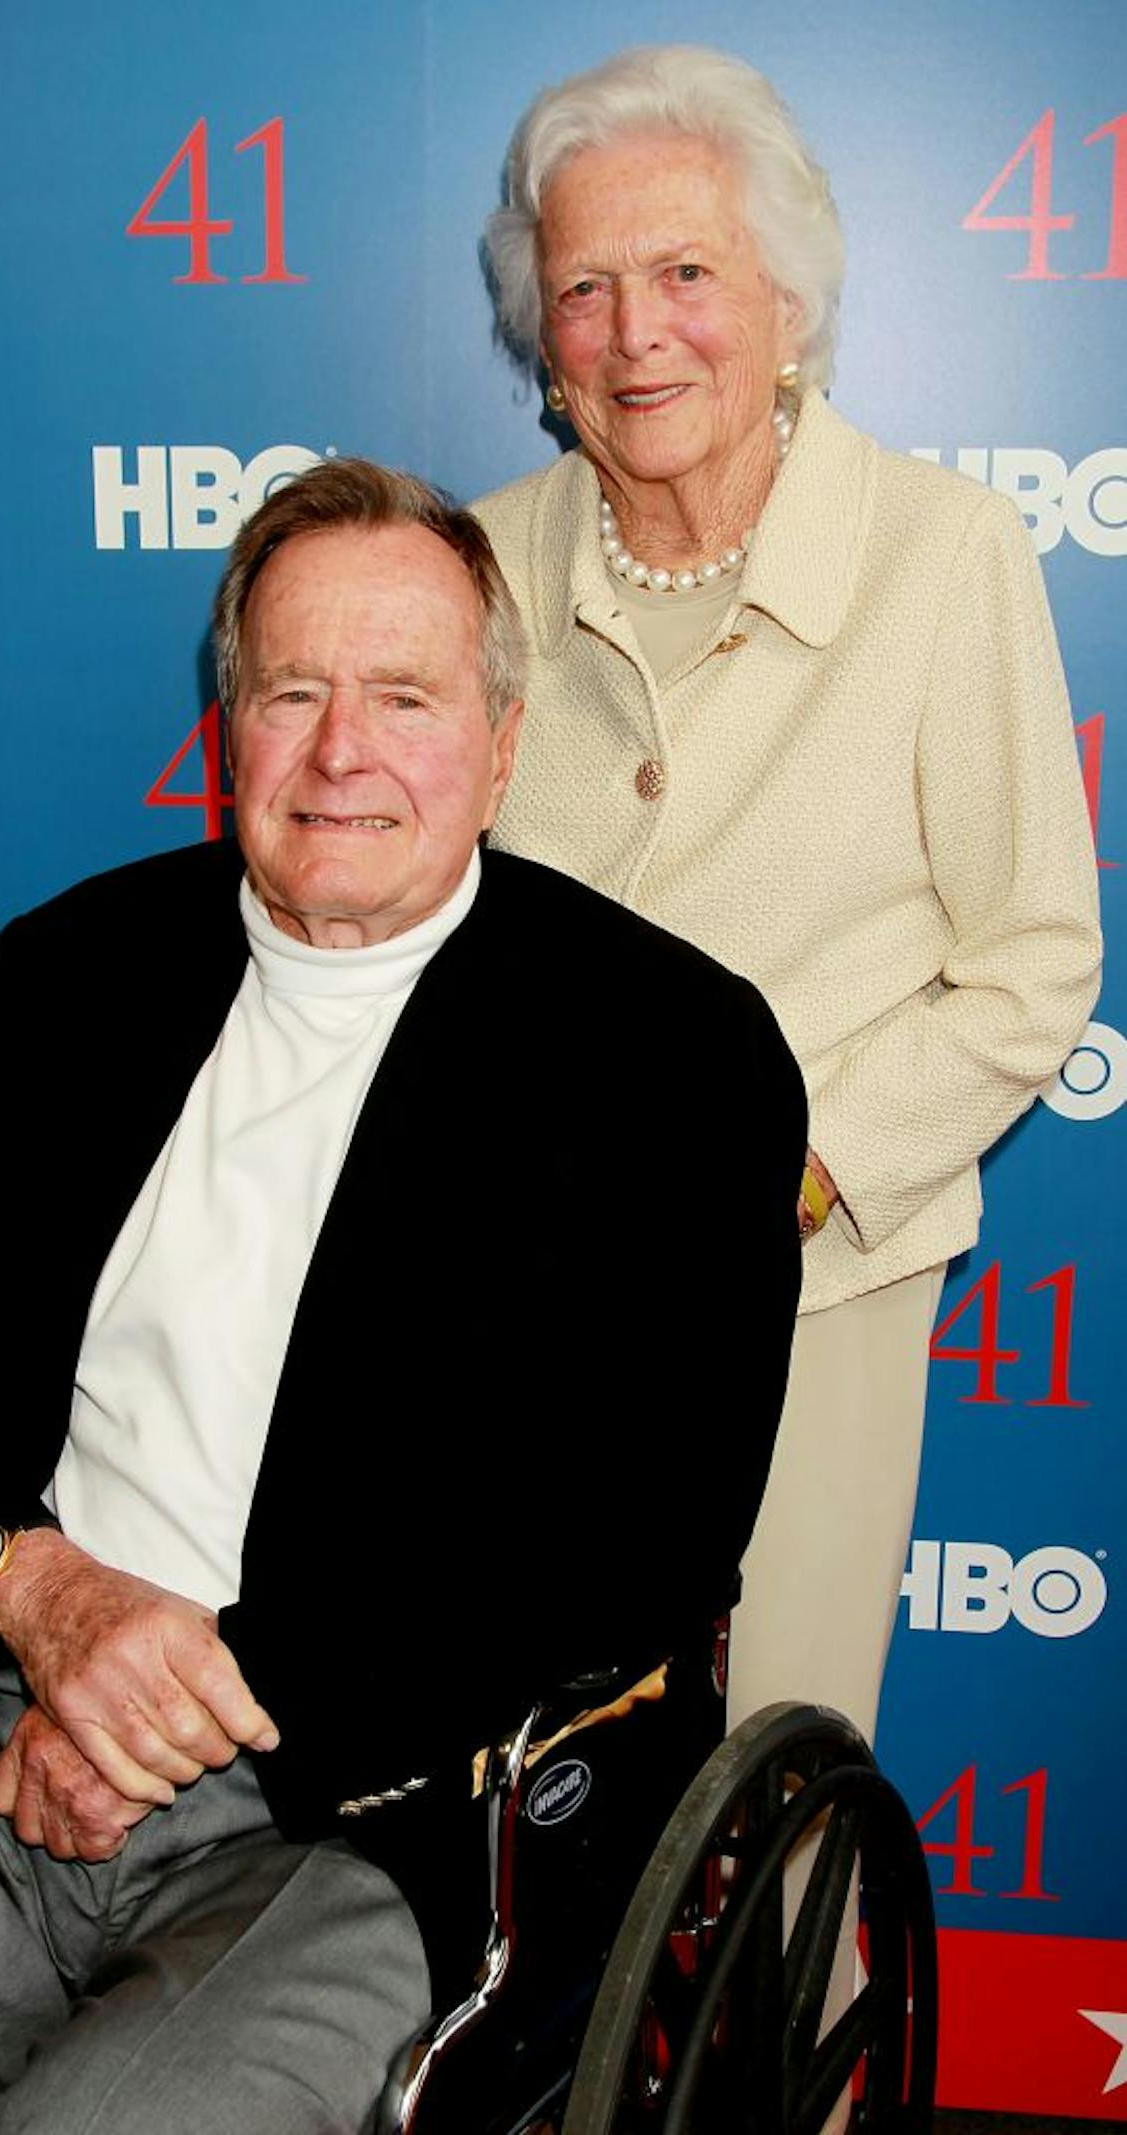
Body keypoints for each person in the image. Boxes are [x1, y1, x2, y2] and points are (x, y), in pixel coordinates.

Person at [0, 458, 805, 2135]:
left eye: (405, 698)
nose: (342, 752)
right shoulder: (79, 973)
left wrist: (163, 1704)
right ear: (231, 722)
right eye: (294, 692)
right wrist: (39, 1595)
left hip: (371, 1824)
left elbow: (636, 1536)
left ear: (502, 748)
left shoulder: (673, 1055)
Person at [476, 43, 1102, 1758]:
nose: (634, 330)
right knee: (519, 1767)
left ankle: (782, 2022)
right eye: (583, 287)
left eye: (687, 273)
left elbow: (1034, 964)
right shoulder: (476, 563)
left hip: (813, 1282)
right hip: (513, 1290)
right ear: (543, 337)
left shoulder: (944, 551)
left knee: (775, 1772)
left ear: (790, 306)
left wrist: (794, 1178)